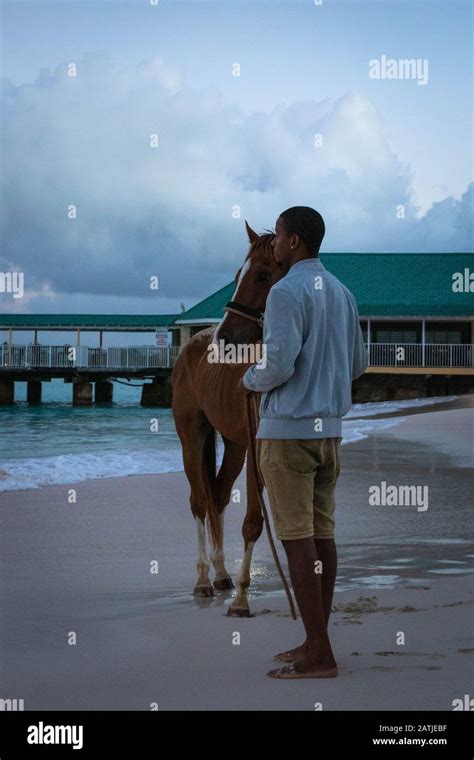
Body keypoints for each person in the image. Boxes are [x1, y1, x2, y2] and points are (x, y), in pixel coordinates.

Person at [238, 206, 368, 679]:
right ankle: (316, 639)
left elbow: (278, 367)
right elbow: (357, 365)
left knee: (297, 541)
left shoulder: (285, 291)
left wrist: (249, 380)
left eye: (279, 237)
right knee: (321, 537)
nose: (272, 245)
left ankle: (320, 653)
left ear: (294, 243)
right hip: (329, 433)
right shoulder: (343, 293)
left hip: (289, 434)